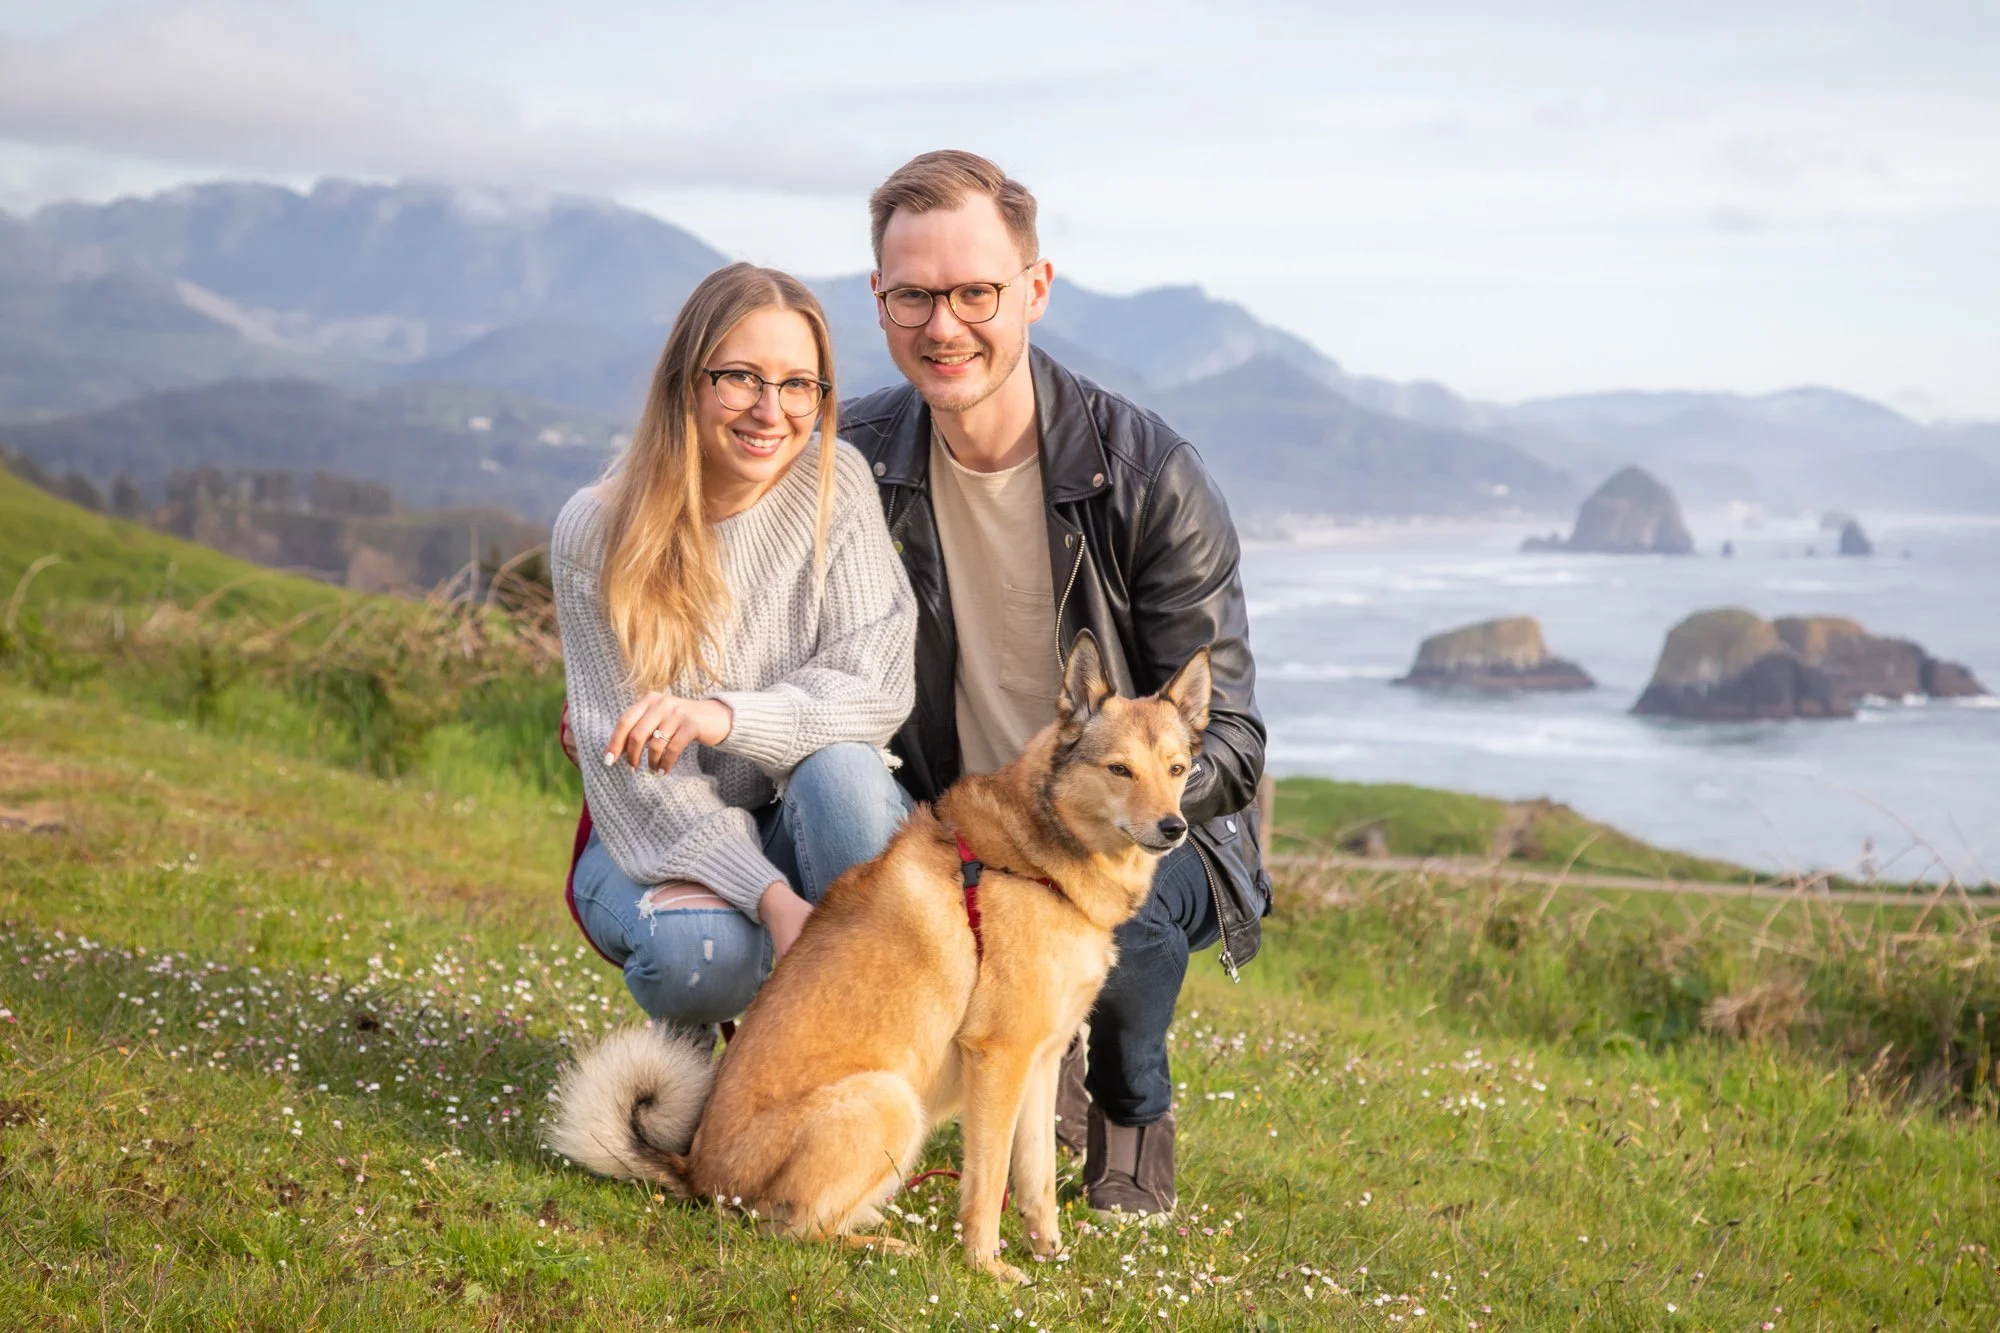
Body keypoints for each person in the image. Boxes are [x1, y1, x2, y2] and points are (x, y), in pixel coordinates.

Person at [841, 151, 1270, 1220]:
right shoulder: (851, 460)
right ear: (880, 299)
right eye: (913, 296)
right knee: (829, 814)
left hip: (1145, 816)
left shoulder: (1149, 476)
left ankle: (1129, 1107)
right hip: (953, 812)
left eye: (974, 292)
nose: (944, 325)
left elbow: (1234, 735)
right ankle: (833, 1071)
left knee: (1118, 911)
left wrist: (1114, 803)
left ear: (1033, 288)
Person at [553, 262, 915, 1037]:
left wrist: (724, 716)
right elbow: (641, 782)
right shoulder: (597, 531)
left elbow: (875, 684)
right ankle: (695, 1034)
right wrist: (772, 899)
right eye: (742, 377)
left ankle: (846, 1058)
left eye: (798, 385)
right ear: (689, 380)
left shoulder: (837, 483)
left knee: (845, 773)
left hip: (796, 820)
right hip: (652, 834)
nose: (771, 410)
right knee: (704, 955)